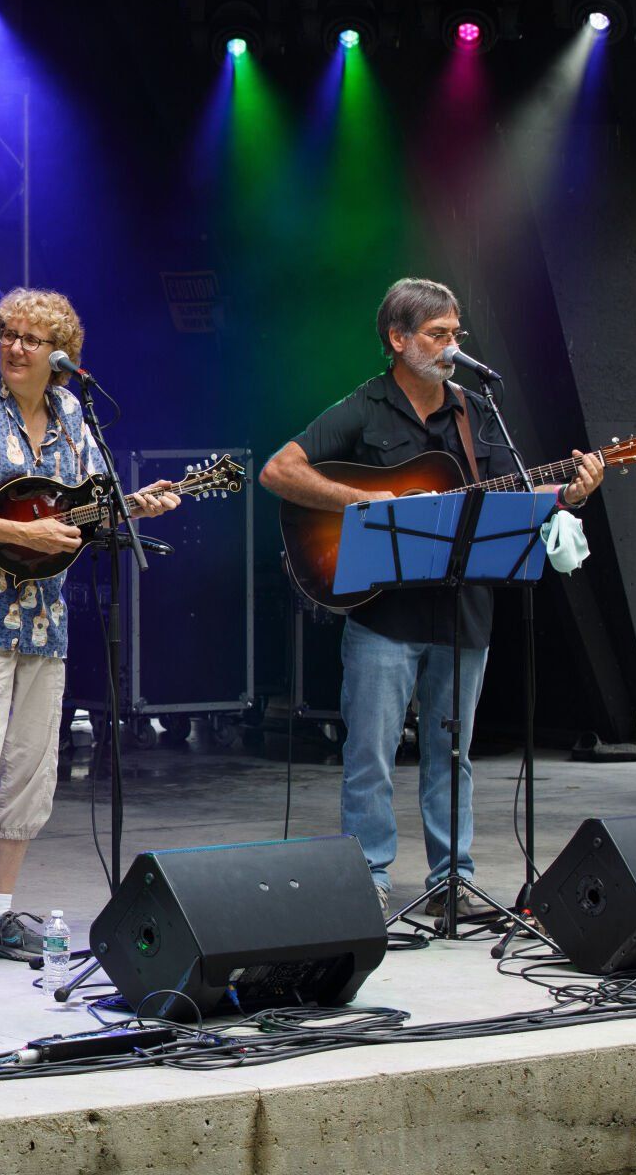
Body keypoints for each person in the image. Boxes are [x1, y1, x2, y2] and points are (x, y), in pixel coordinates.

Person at [258, 277, 604, 918]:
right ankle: (369, 876)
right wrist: (362, 500)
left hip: (460, 610)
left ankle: (454, 879)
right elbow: (279, 470)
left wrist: (570, 495)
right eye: (437, 335)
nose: (450, 347)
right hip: (382, 614)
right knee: (371, 754)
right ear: (397, 338)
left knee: (454, 754)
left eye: (455, 335)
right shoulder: (363, 407)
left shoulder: (476, 411)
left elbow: (516, 492)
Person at [0, 287, 179, 982]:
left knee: (30, 772)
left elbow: (86, 515)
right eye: (8, 335)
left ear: (62, 356)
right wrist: (17, 530)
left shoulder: (73, 417)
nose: (16, 348)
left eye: (32, 339)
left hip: (40, 620)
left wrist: (137, 509)